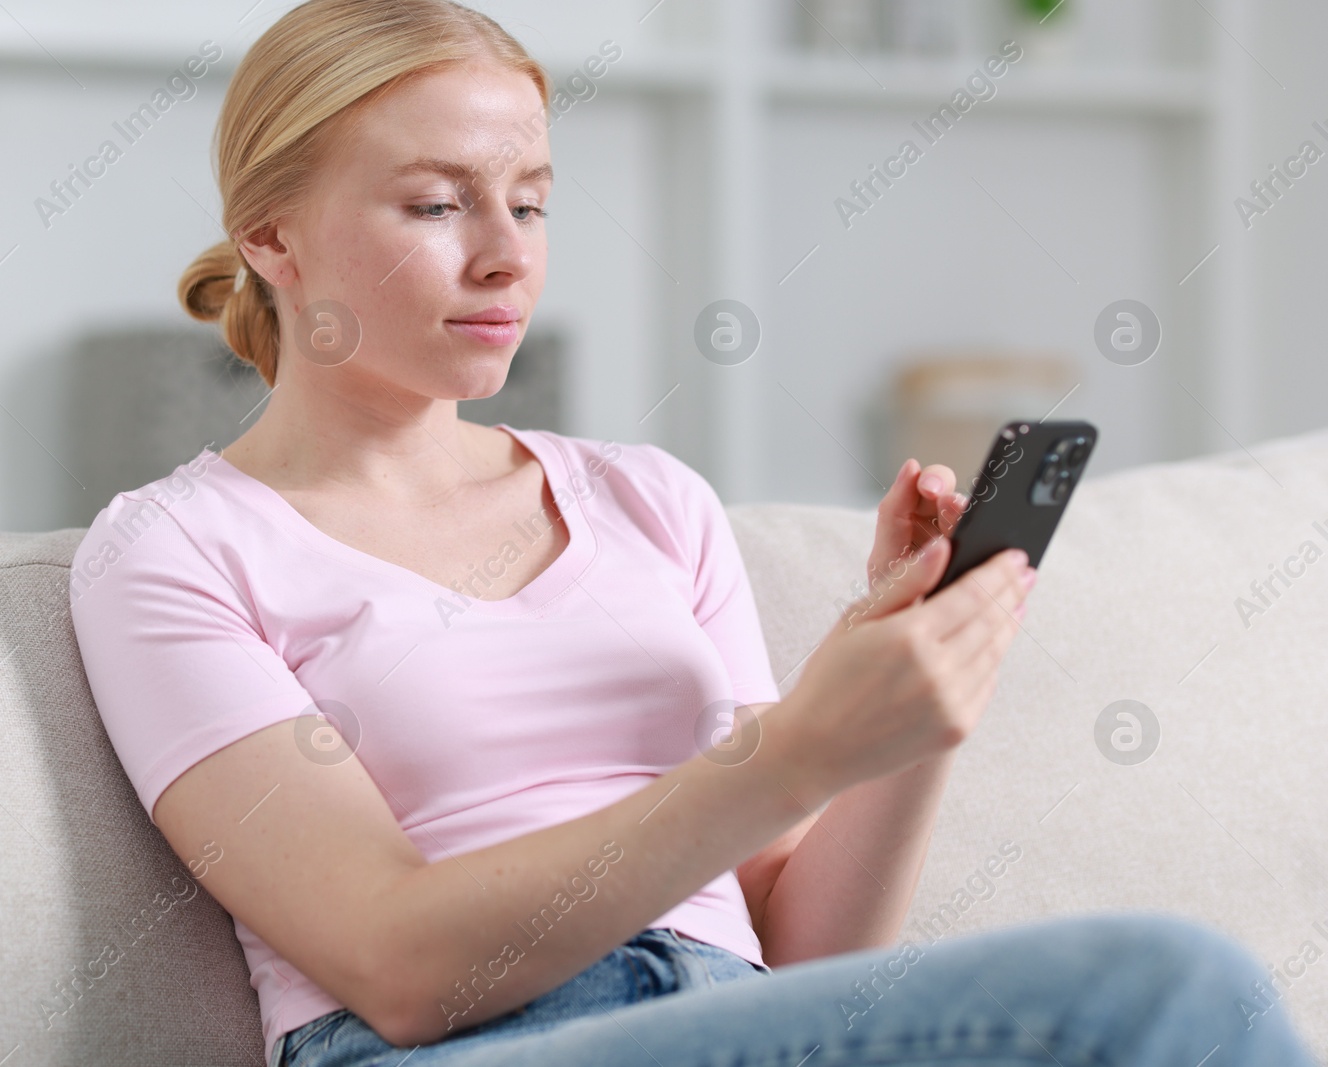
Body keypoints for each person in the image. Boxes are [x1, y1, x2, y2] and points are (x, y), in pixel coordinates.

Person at [66, 2, 1319, 1065]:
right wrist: (784, 752)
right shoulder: (175, 550)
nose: (507, 257)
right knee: (1162, 985)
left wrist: (902, 713)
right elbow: (393, 961)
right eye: (439, 204)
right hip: (465, 1044)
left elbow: (801, 950)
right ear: (270, 235)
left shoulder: (648, 500)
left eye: (532, 202)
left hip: (731, 1019)